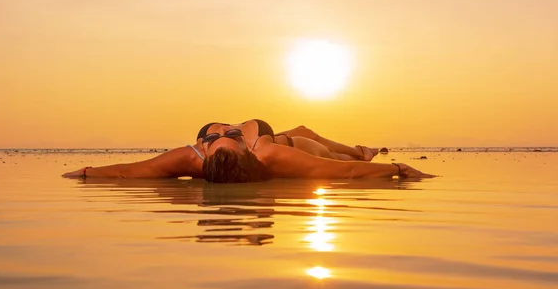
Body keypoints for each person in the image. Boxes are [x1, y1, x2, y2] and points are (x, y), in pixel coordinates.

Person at [62, 119, 434, 182]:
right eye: (229, 137)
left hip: (289, 140)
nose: (224, 130)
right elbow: (344, 175)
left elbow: (133, 169)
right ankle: (361, 151)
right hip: (299, 147)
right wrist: (400, 170)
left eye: (214, 138)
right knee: (328, 154)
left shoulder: (190, 156)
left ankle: (358, 150)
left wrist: (86, 173)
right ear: (247, 151)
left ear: (205, 153)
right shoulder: (268, 154)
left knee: (306, 128)